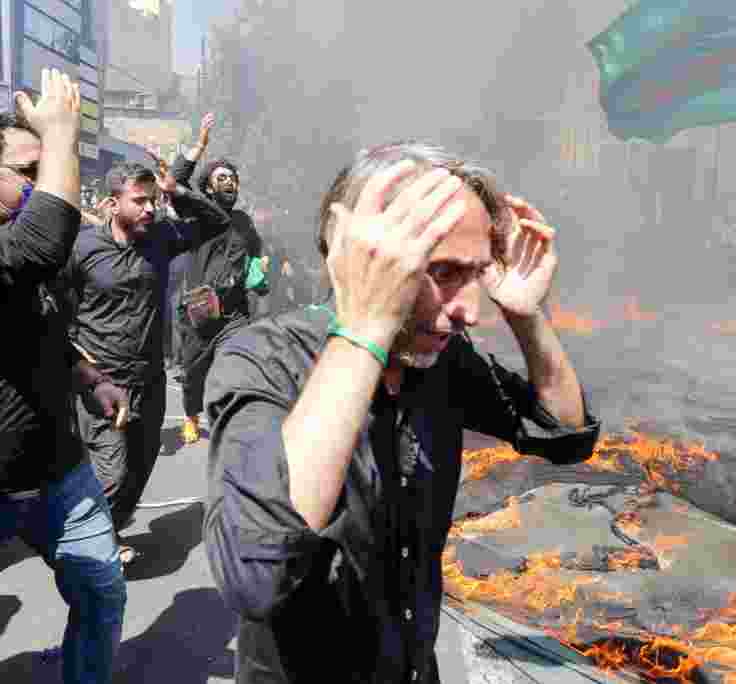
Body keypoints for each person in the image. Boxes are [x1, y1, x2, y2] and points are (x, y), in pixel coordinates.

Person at [202, 141, 601, 683]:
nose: (469, 311)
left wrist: (527, 317)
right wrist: (365, 328)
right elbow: (256, 575)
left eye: (477, 273)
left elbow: (565, 435)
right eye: (441, 271)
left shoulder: (443, 362)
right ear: (348, 251)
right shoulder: (261, 359)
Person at [0, 68, 128, 684]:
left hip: (60, 473)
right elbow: (44, 244)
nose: (38, 181)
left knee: (103, 596)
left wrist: (89, 376)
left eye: (39, 168)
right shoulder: (15, 247)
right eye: (24, 170)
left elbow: (43, 325)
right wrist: (62, 138)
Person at [62, 159, 232, 566]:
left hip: (149, 379)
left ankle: (109, 528)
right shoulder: (82, 249)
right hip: (102, 380)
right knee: (113, 470)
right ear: (111, 203)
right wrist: (76, 367)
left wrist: (177, 191)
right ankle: (87, 547)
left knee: (140, 463)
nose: (149, 209)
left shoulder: (160, 238)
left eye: (153, 200)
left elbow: (216, 222)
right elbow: (59, 312)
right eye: (140, 201)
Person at [170, 113, 268, 444]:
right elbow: (176, 185)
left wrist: (259, 271)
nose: (229, 182)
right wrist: (198, 146)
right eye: (222, 177)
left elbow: (254, 253)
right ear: (209, 186)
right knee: (193, 374)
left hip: (234, 313)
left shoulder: (244, 221)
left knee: (236, 360)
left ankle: (230, 418)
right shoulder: (198, 213)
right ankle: (190, 414)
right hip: (198, 311)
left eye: (233, 178)